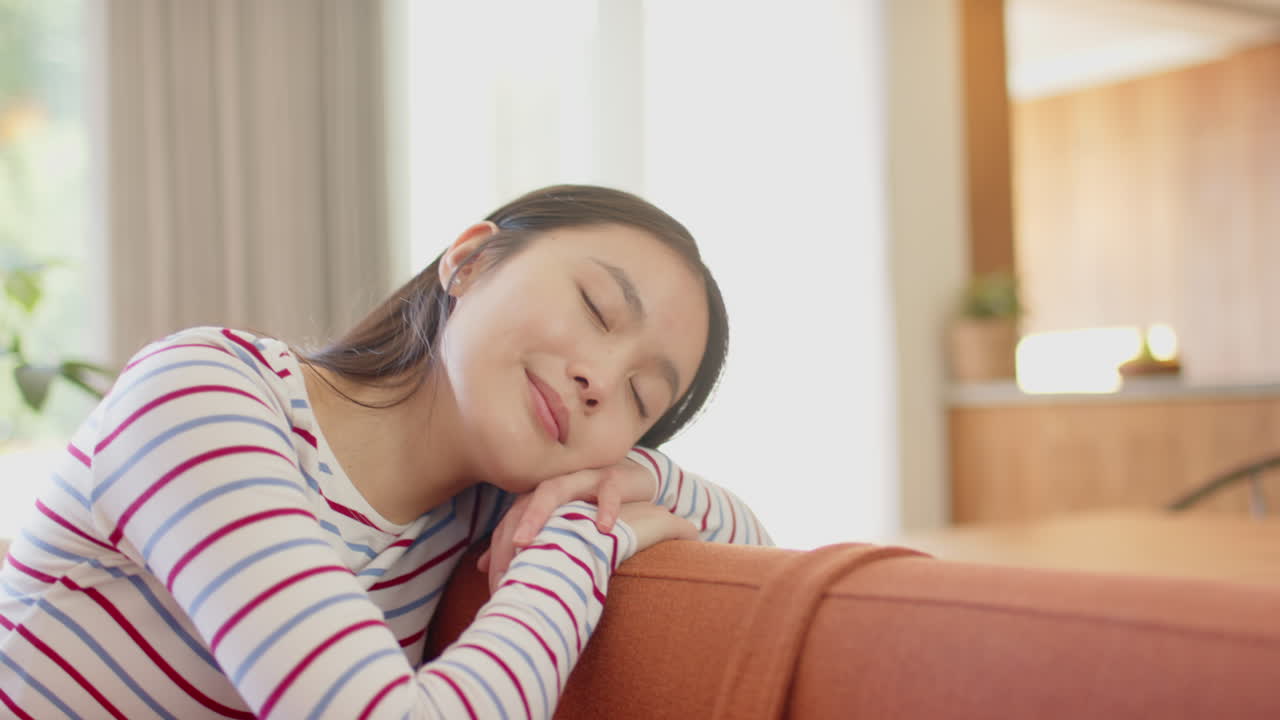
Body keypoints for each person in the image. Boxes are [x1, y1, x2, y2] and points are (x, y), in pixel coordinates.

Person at [0, 185, 771, 719]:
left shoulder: (479, 510)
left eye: (642, 398)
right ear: (469, 260)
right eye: (597, 308)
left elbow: (759, 558)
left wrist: (634, 475)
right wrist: (586, 539)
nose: (600, 380)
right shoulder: (202, 396)